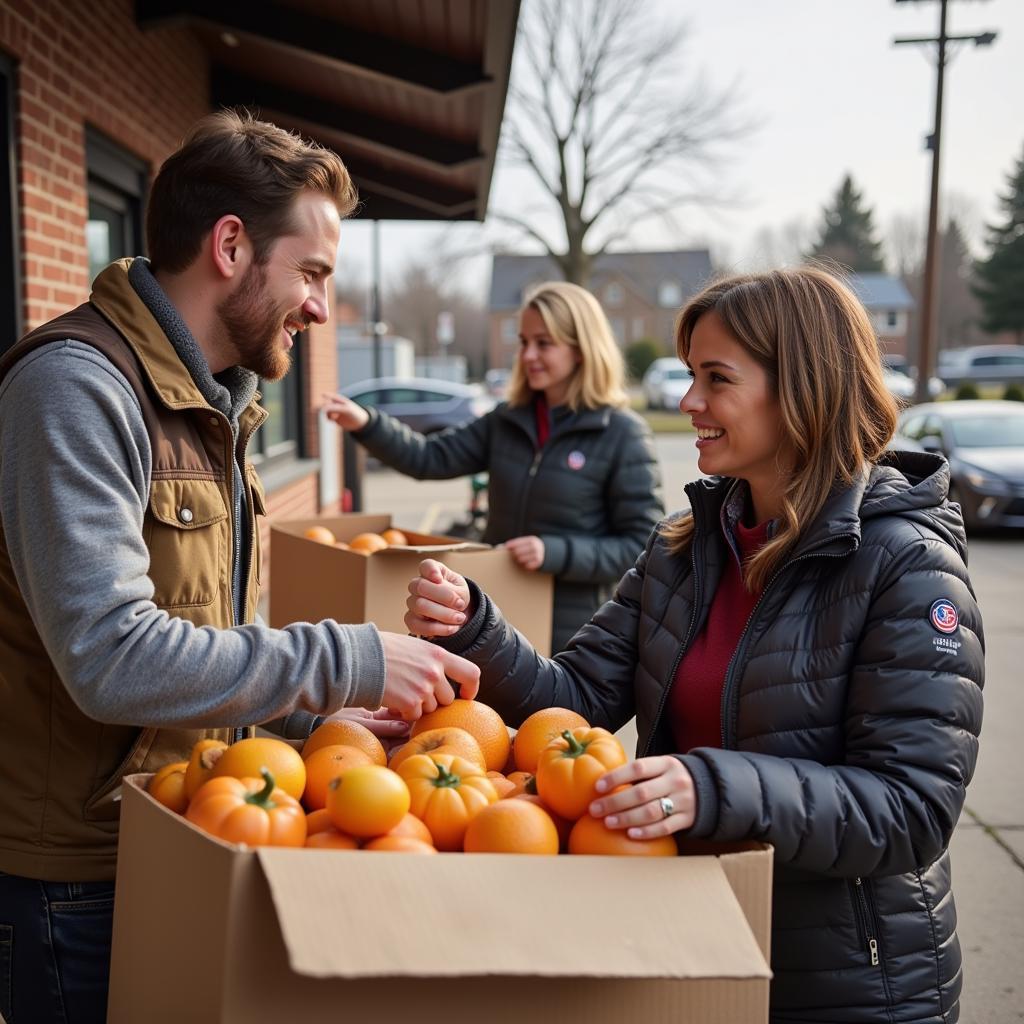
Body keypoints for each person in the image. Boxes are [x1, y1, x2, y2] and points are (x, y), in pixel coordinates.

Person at [404, 267, 985, 1023]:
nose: (688, 404)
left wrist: (708, 787)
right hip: (692, 942)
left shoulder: (907, 565)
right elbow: (574, 703)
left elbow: (912, 810)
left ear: (803, 390)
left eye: (717, 379)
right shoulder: (687, 548)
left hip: (846, 982)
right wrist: (475, 628)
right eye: (689, 376)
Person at [0, 110, 478, 1024]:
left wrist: (313, 713)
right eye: (312, 272)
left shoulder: (213, 407)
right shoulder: (76, 388)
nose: (320, 307)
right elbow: (110, 656)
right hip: (74, 883)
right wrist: (350, 656)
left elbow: (199, 637)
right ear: (230, 246)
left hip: (179, 833)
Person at [324, 280, 664, 652]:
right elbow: (429, 458)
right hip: (497, 615)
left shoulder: (622, 434)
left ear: (582, 349)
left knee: (554, 714)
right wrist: (368, 424)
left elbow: (641, 545)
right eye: (523, 341)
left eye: (544, 343)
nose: (528, 355)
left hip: (574, 631)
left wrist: (555, 552)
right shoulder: (506, 421)